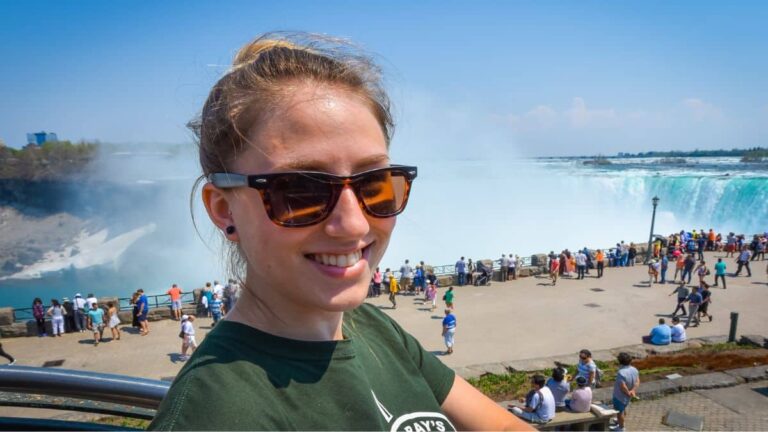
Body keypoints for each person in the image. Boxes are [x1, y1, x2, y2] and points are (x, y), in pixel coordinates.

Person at [150, 34, 532, 430]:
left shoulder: (368, 326)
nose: (354, 224)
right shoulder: (217, 414)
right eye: (300, 191)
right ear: (223, 208)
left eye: (375, 183)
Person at [610, 352, 640, 432]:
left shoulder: (621, 372)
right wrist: (632, 391)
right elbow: (637, 381)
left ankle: (621, 427)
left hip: (620, 396)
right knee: (624, 408)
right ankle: (619, 421)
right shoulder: (634, 369)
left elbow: (622, 386)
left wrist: (628, 392)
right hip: (628, 396)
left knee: (620, 412)